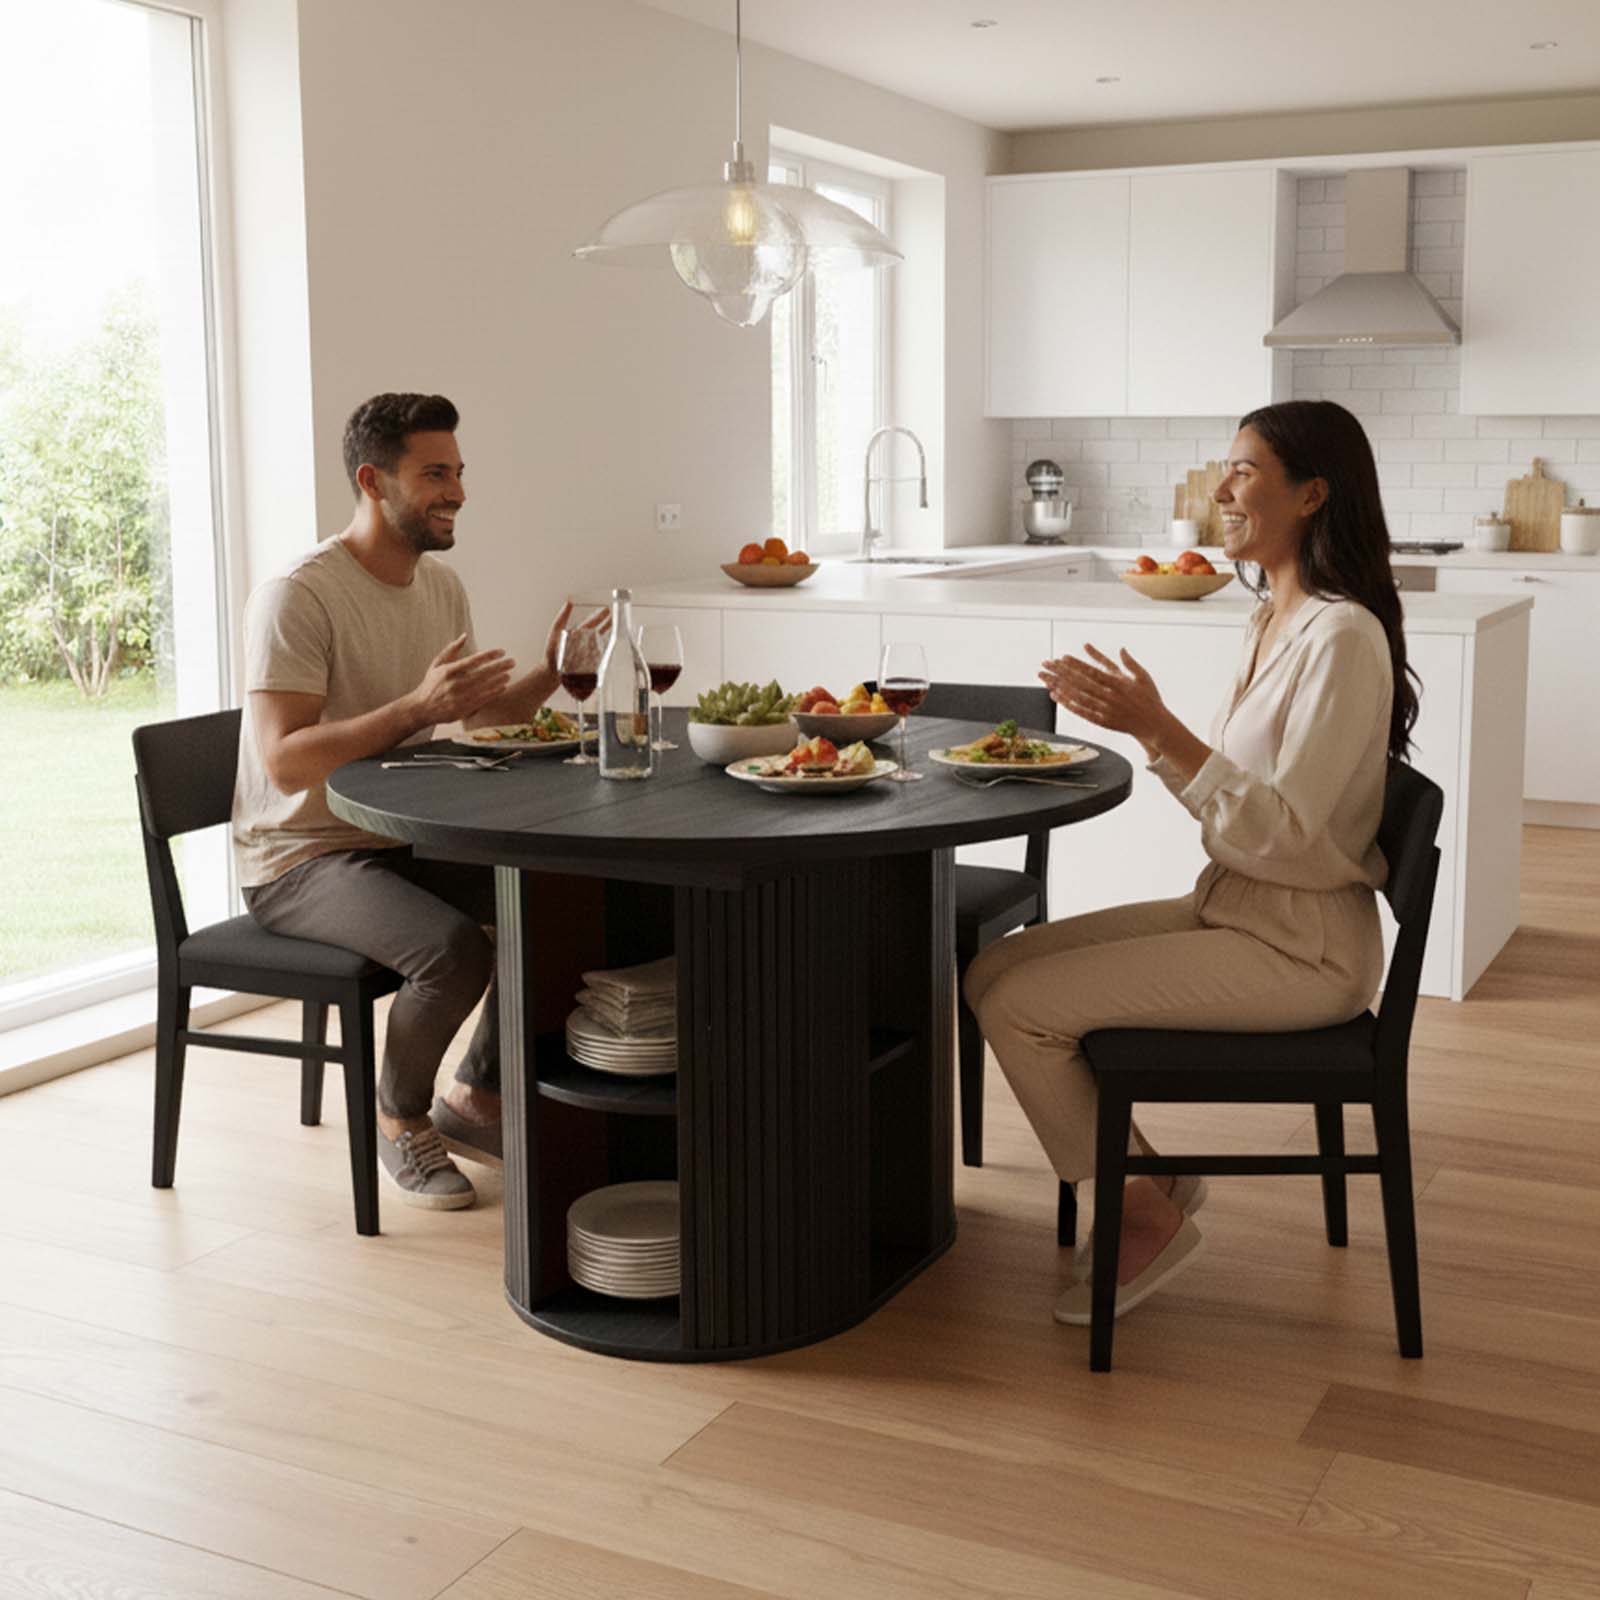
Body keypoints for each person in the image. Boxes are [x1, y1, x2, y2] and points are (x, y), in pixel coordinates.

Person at [964, 399, 1420, 1326]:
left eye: (1245, 470)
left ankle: (1139, 1213)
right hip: (1236, 907)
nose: (1222, 489)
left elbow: (1291, 839)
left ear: (1312, 494)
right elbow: (1245, 817)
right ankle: (1156, 1171)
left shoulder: (1343, 637)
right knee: (995, 966)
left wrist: (1157, 729)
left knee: (1019, 1005)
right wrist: (1158, 735)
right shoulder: (1274, 622)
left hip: (1304, 949)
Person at [232, 392, 604, 1210]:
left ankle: (476, 1095)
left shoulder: (440, 587)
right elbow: (284, 762)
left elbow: (477, 718)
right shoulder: (298, 595)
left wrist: (552, 668)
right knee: (453, 949)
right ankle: (400, 1119)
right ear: (373, 480)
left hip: (396, 838)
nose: (459, 491)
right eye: (435, 473)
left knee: (554, 901)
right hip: (301, 856)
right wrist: (411, 711)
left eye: (460, 472)